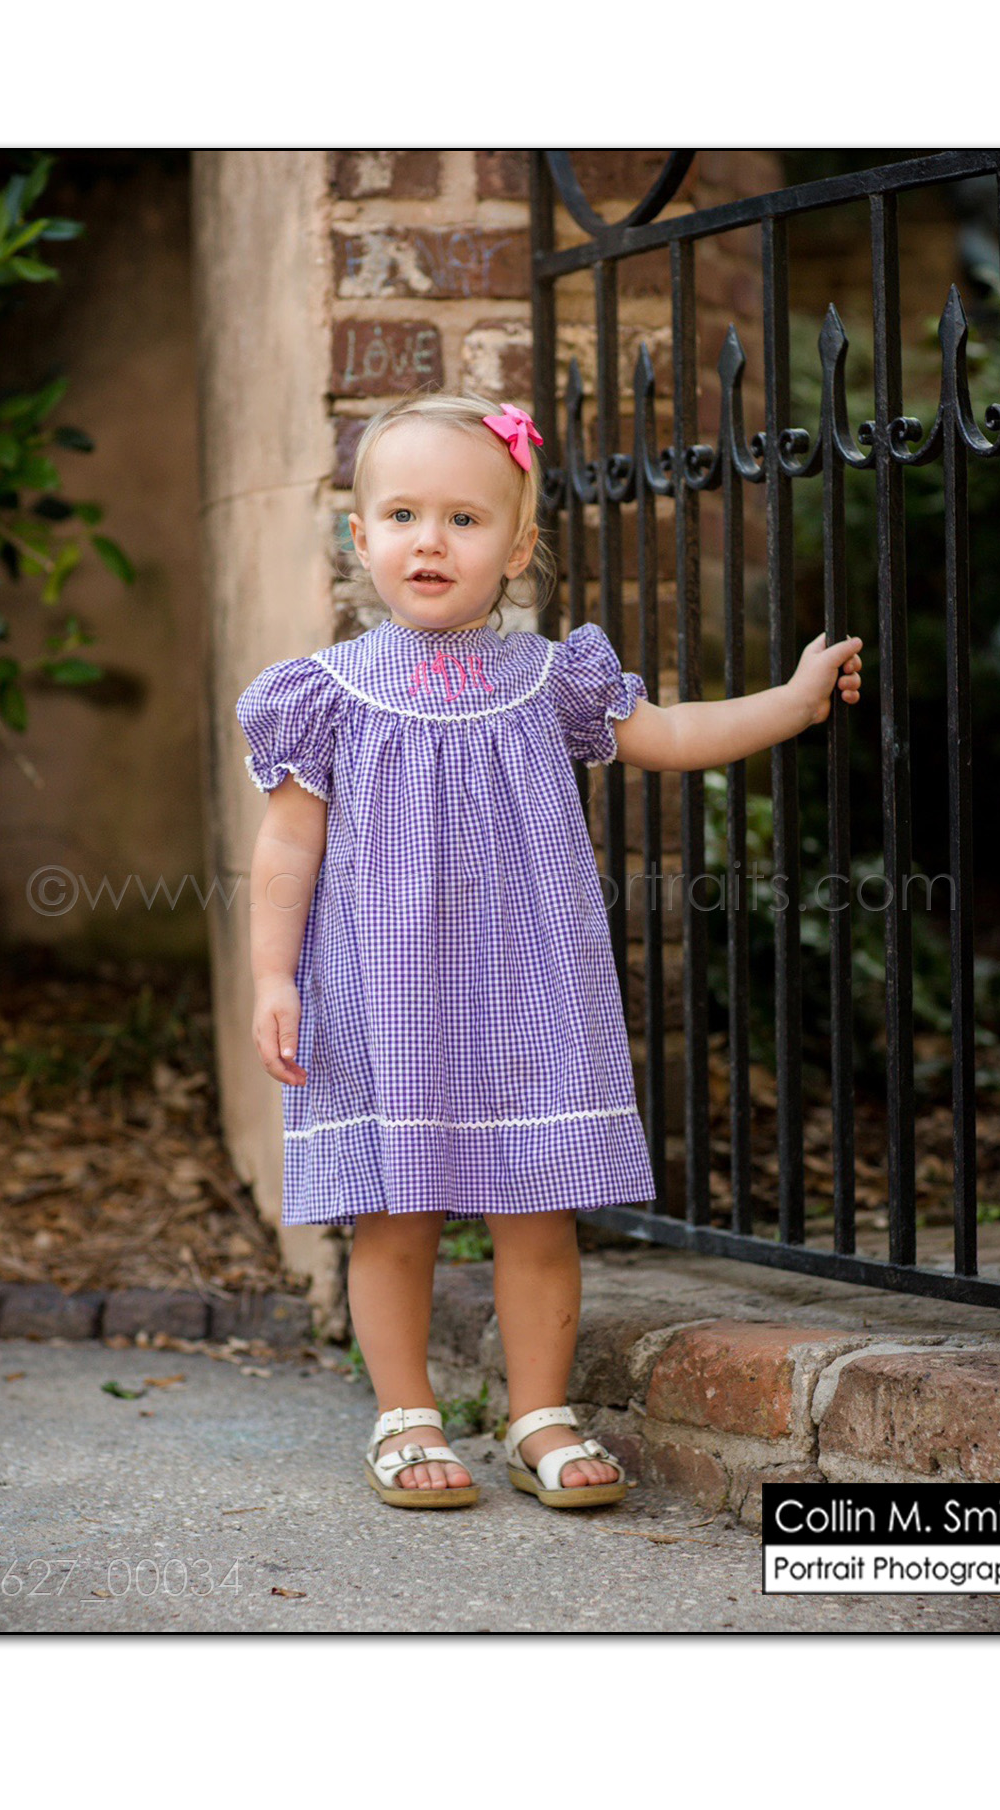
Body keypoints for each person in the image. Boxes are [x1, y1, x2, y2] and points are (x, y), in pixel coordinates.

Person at [235, 390, 863, 1510]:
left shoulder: (548, 677)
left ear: (519, 547)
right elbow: (286, 844)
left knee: (537, 1203)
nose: (430, 540)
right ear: (360, 536)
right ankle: (405, 1414)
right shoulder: (323, 697)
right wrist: (273, 977)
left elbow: (671, 732)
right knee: (395, 1209)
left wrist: (793, 701)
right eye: (402, 515)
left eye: (464, 519)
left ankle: (539, 1415)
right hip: (383, 993)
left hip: (529, 986)